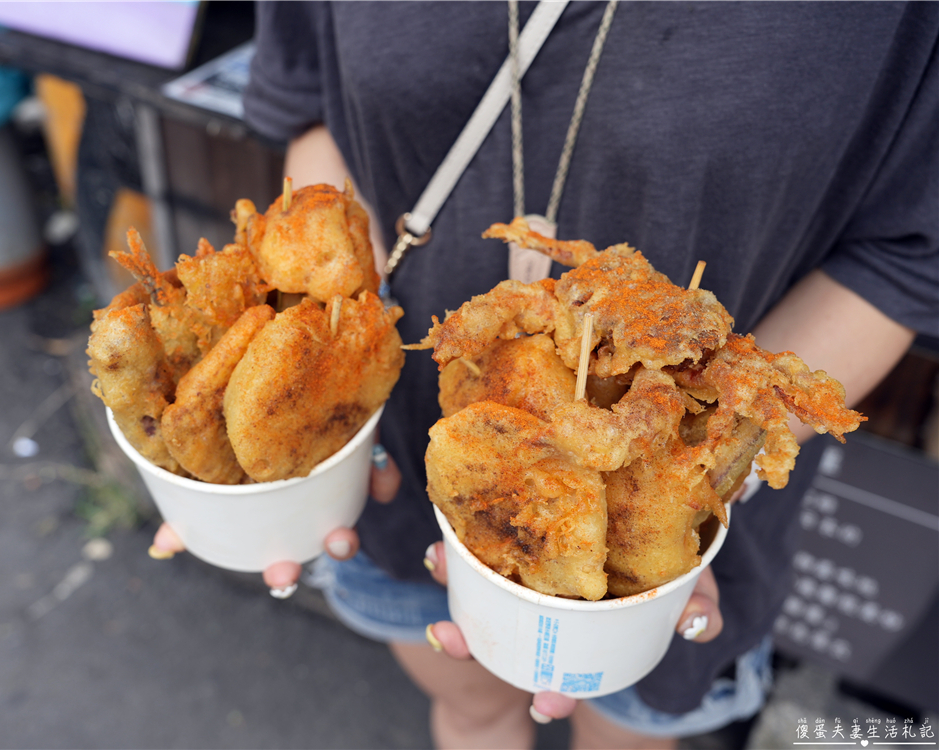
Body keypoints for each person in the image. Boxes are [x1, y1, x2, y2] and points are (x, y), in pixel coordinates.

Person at [151, 3, 938, 748]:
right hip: (396, 467)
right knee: (469, 711)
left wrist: (720, 454)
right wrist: (298, 436)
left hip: (672, 546)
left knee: (624, 730)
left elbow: (911, 248)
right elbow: (319, 114)